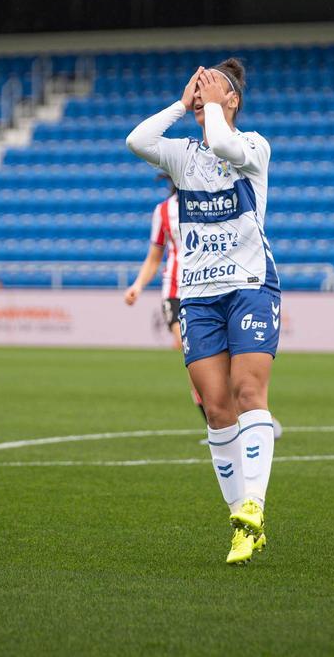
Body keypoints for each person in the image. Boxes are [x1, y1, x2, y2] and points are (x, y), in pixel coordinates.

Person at [127, 59, 280, 566]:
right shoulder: (180, 156)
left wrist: (214, 104)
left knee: (249, 392)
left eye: (216, 85)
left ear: (233, 99)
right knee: (216, 408)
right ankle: (241, 521)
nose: (205, 89)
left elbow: (223, 145)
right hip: (198, 296)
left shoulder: (253, 146)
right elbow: (137, 140)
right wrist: (182, 100)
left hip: (251, 287)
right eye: (203, 82)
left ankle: (255, 505)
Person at [124, 175, 207, 423]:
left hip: (207, 288)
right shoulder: (163, 211)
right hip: (175, 292)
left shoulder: (209, 202)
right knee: (190, 351)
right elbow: (154, 256)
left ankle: (232, 410)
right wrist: (137, 286)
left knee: (212, 356)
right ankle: (215, 422)